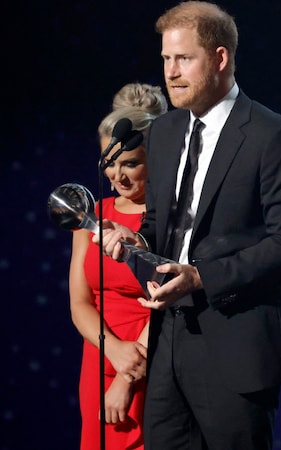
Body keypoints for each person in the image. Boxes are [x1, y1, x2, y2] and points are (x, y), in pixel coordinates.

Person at [95, 2, 281, 449]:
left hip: (236, 342)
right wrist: (134, 241)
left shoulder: (273, 136)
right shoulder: (164, 132)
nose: (171, 72)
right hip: (168, 343)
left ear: (220, 58)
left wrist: (200, 278)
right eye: (165, 59)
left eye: (184, 59)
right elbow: (160, 226)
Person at [69, 82, 168, 449]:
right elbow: (80, 303)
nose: (117, 176)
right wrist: (111, 349)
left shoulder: (170, 217)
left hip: (153, 357)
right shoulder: (94, 215)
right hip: (100, 356)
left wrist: (128, 375)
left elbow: (169, 299)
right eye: (109, 164)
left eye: (130, 163)